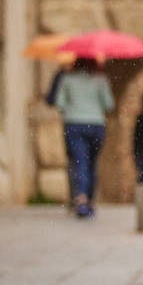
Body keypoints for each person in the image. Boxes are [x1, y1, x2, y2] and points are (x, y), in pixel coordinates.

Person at [55, 58, 115, 218]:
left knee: (80, 161)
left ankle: (81, 198)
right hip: (96, 125)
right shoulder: (100, 80)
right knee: (92, 163)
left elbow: (60, 103)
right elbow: (109, 104)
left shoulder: (67, 79)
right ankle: (90, 200)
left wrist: (74, 107)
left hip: (74, 124)